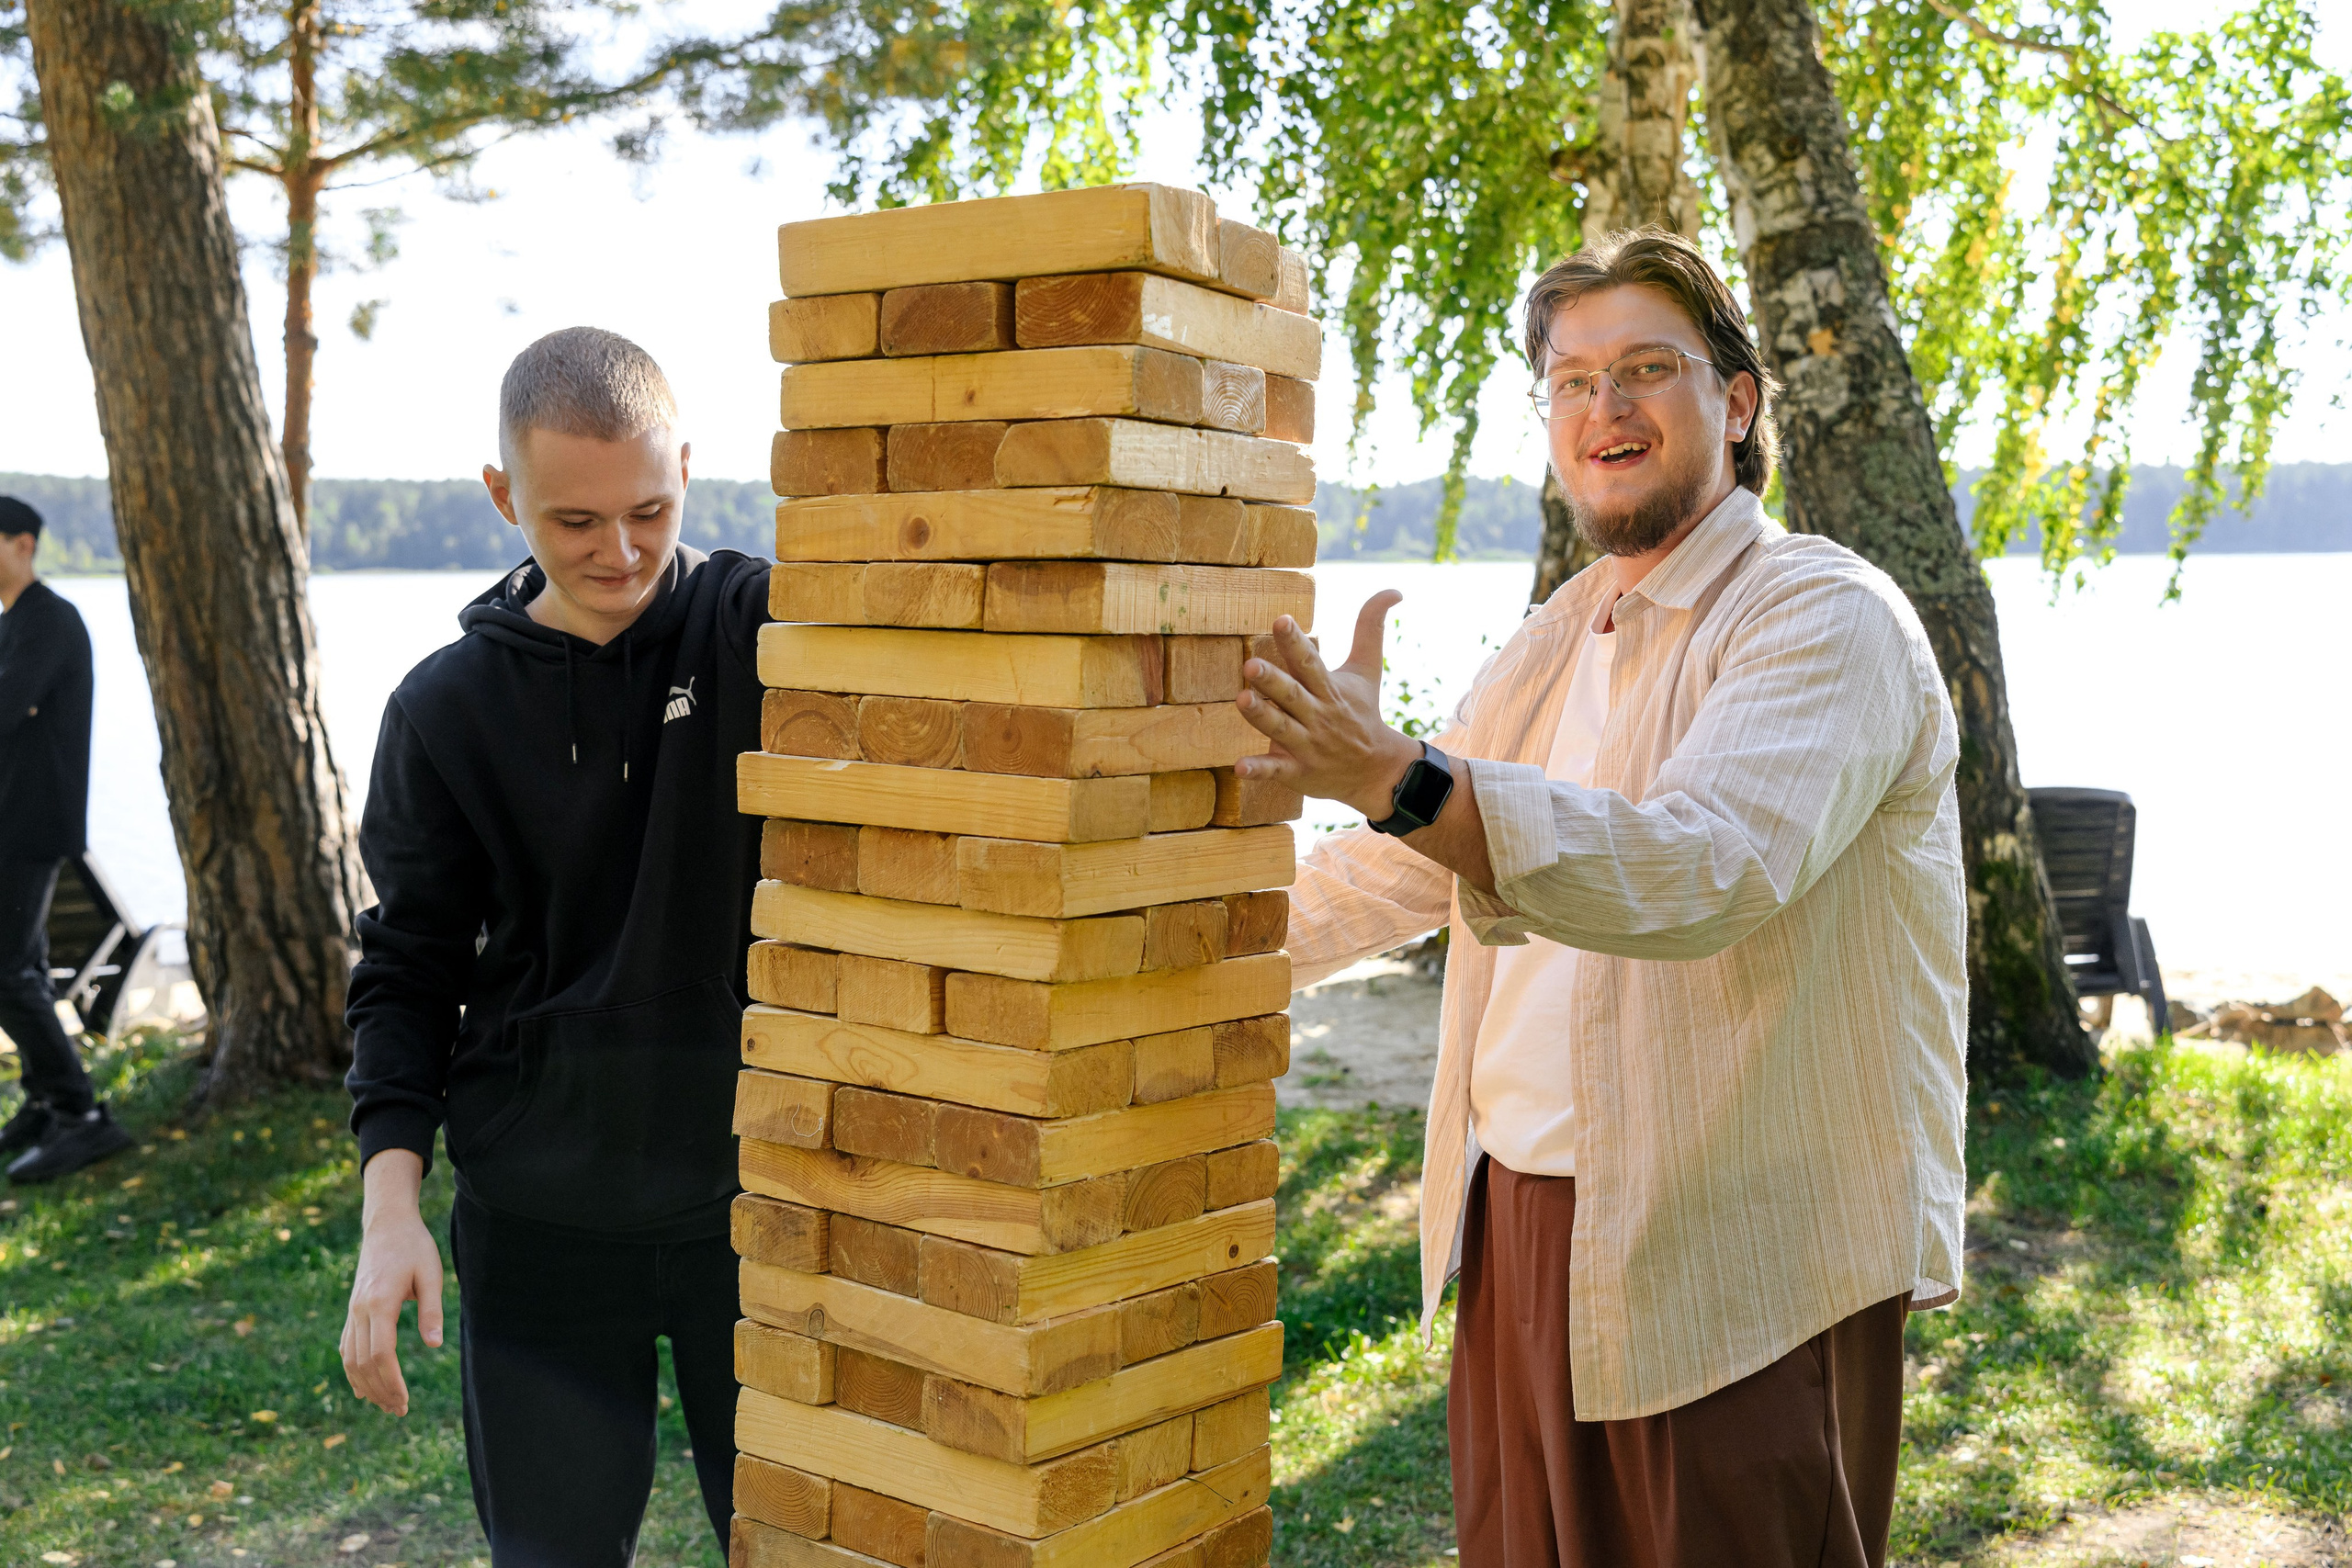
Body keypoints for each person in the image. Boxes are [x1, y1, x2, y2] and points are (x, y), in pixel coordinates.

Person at [1233, 228, 1967, 1568]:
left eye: (1644, 369)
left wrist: (1392, 769)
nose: (1604, 408)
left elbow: (1702, 868)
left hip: (1738, 1240)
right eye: (1571, 382)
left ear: (1736, 404)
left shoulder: (1824, 613)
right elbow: (1413, 852)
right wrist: (1200, 956)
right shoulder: (1565, 626)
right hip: (1519, 1222)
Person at [338, 328, 770, 1566]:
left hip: (760, 1209)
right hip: (541, 1226)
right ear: (501, 495)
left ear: (687, 467)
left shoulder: (761, 628)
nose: (620, 552)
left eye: (650, 508)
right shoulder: (444, 705)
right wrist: (390, 1210)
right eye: (573, 521)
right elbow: (407, 966)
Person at [0, 495, 133, 1183]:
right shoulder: (16, 620)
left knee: (8, 972)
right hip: (11, 821)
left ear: (23, 543)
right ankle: (47, 1101)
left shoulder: (49, 619)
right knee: (23, 964)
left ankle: (82, 1117)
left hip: (30, 824)